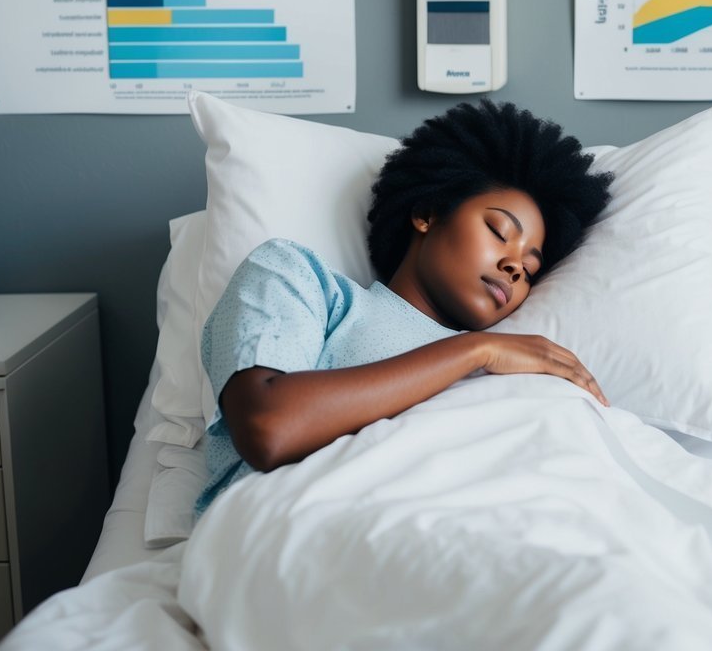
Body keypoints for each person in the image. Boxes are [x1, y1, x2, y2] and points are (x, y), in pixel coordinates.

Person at [193, 100, 614, 517]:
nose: (514, 267)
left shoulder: (517, 365)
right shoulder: (302, 279)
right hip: (298, 531)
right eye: (498, 230)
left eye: (530, 267)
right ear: (427, 214)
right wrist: (476, 350)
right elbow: (270, 427)